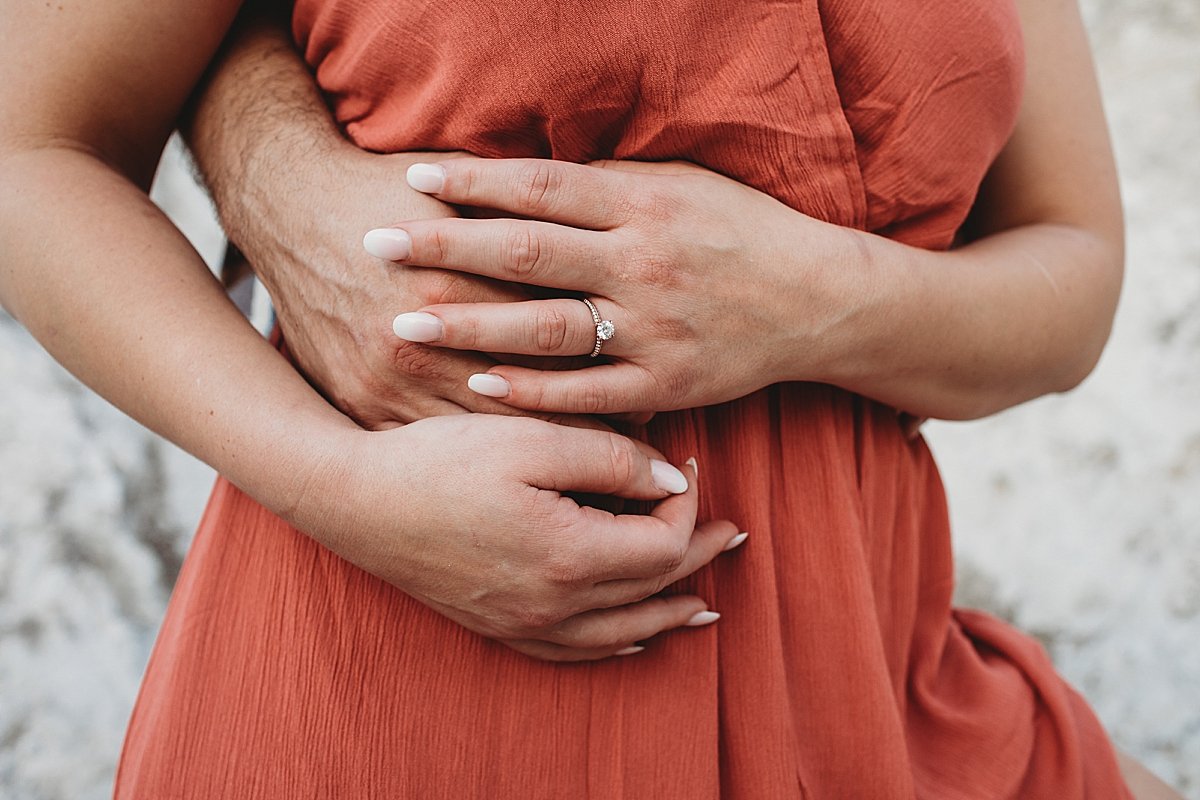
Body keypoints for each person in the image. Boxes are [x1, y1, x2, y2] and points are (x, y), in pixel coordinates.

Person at [0, 0, 1179, 797]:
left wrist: (822, 299)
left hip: (884, 697)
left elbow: (1073, 259)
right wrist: (335, 479)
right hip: (403, 704)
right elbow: (32, 148)